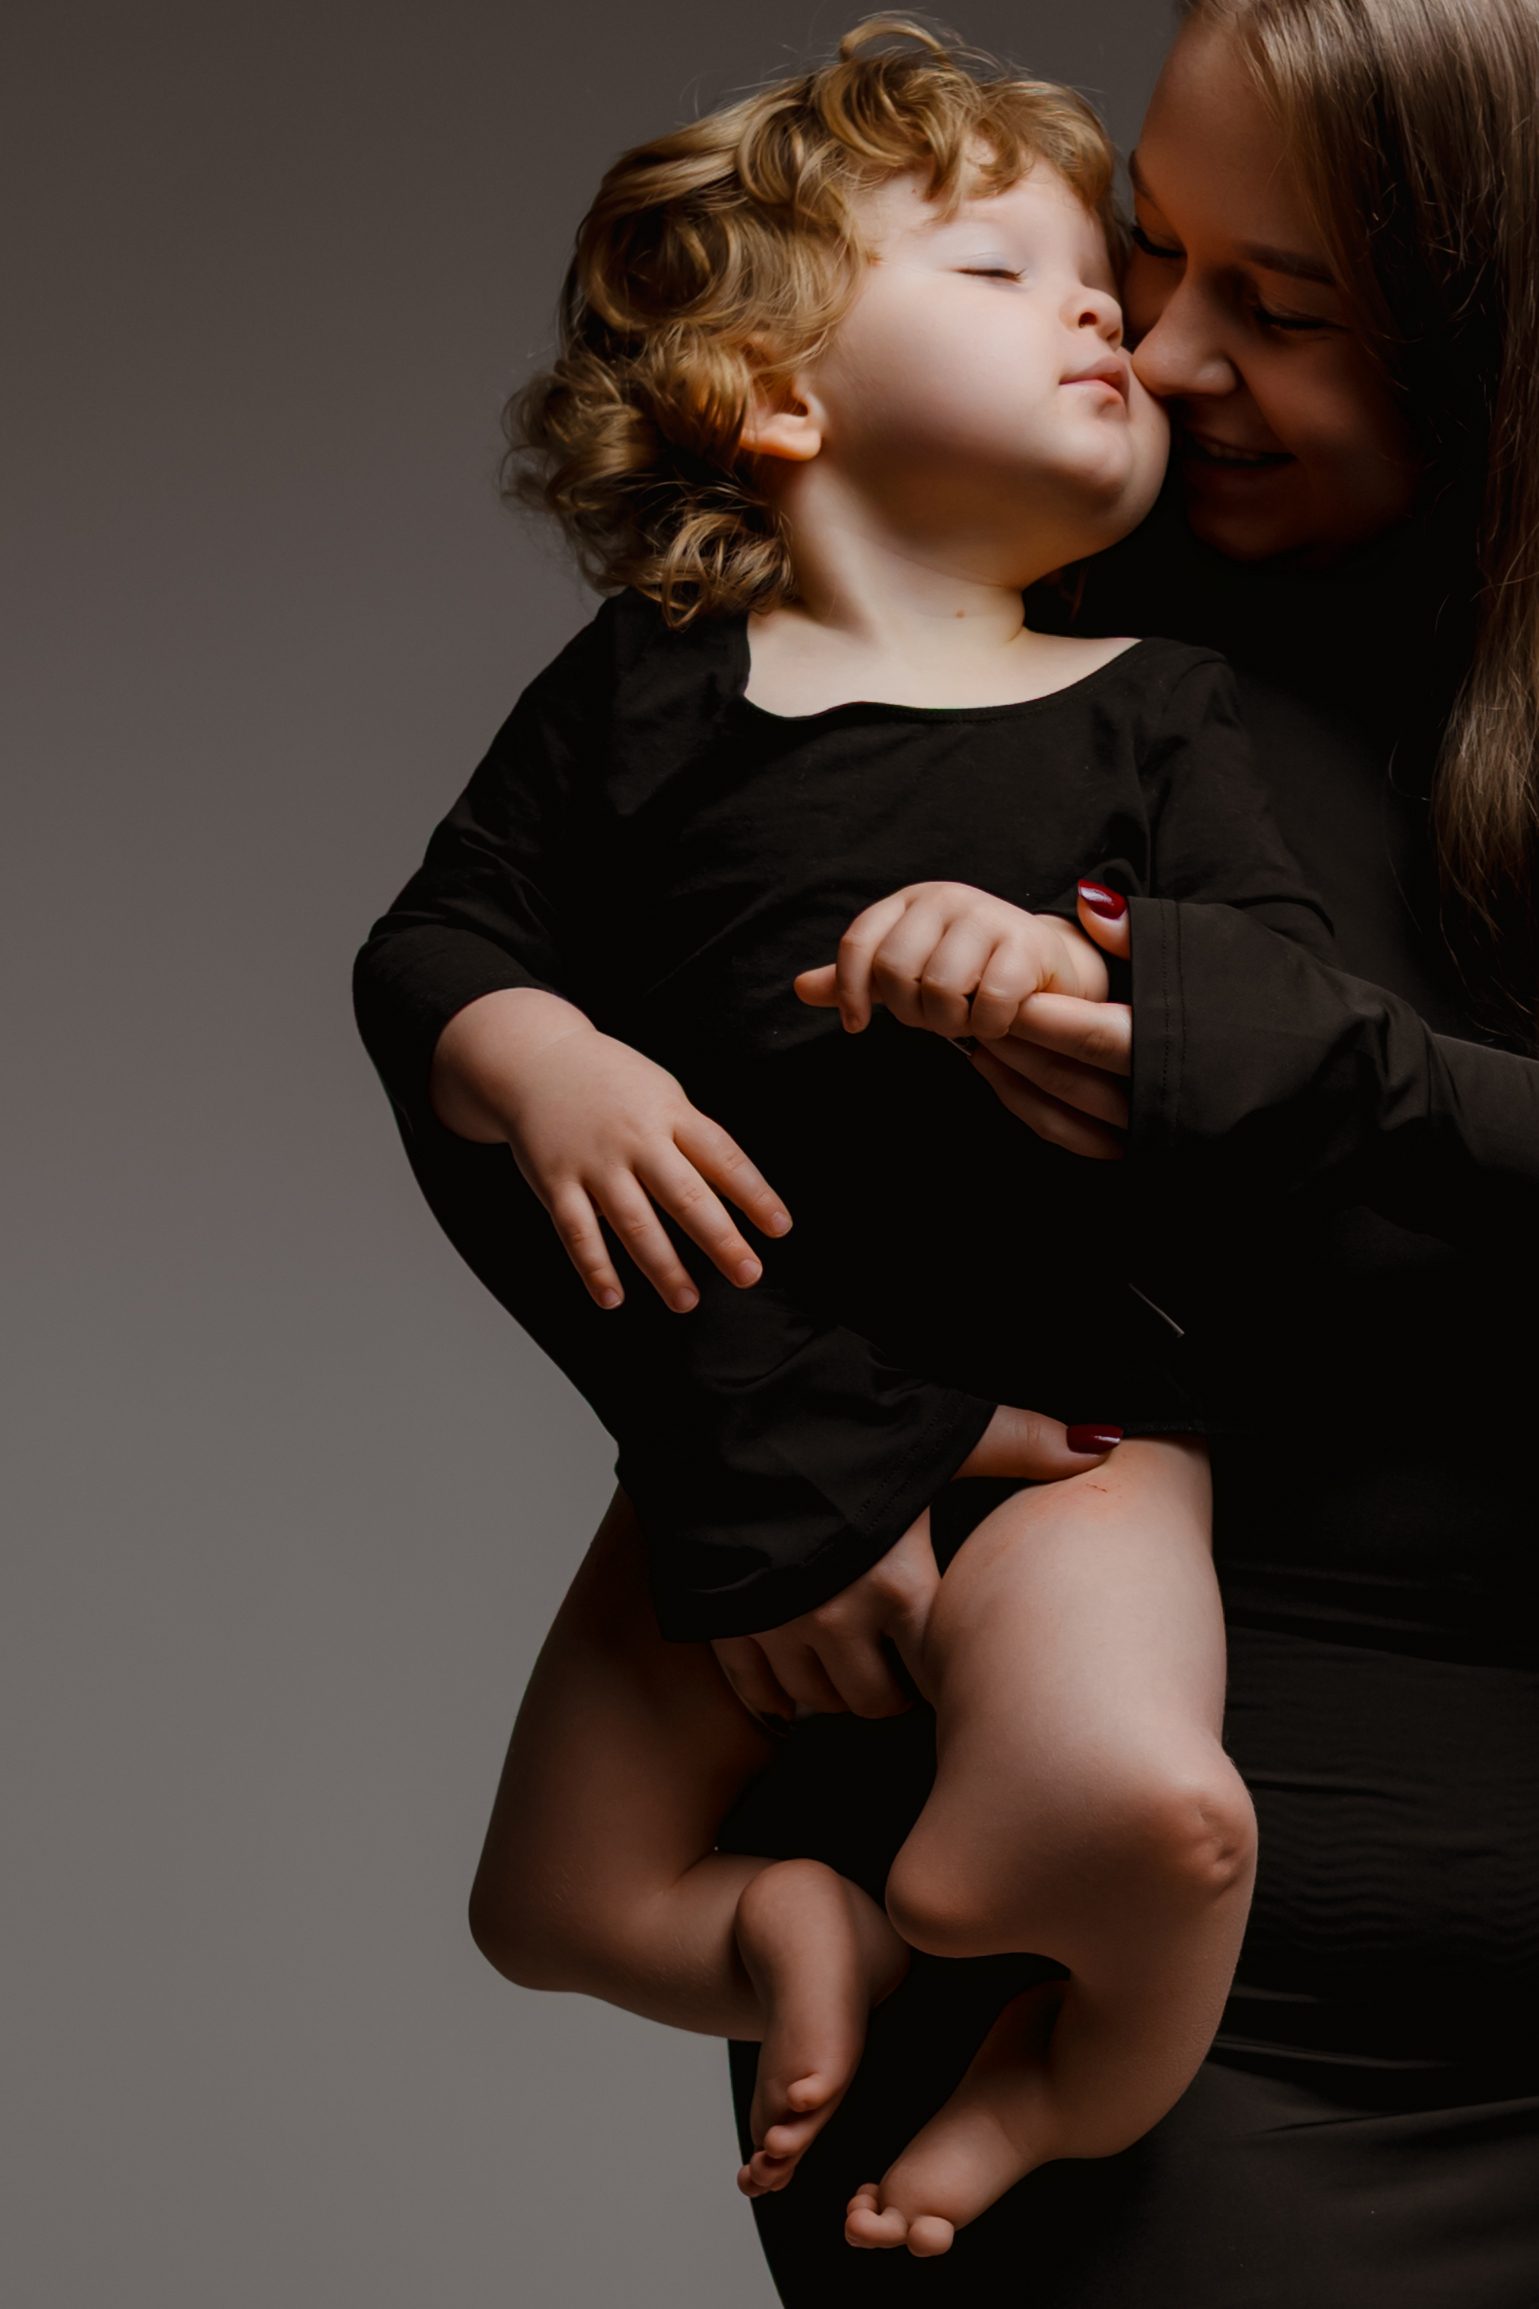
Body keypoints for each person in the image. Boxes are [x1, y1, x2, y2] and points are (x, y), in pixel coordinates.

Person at [352, 1, 1539, 2299]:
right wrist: (751, 1426)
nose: (1153, 347)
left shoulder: (1157, 711)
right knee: (577, 1889)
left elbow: (1326, 1077)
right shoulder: (1008, 603)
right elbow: (525, 1034)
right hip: (1142, 2034)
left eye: (1277, 302)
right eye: (1145, 249)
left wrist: (1294, 1057)